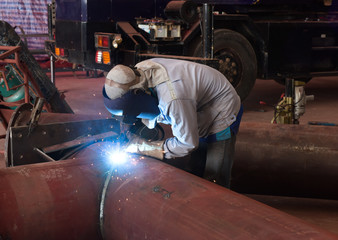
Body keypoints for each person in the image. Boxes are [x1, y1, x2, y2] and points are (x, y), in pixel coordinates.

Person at [103, 58, 242, 188]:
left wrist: (145, 147)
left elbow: (187, 144)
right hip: (197, 102)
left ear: (138, 93)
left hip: (223, 109)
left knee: (214, 178)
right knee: (196, 170)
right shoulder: (136, 73)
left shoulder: (173, 99)